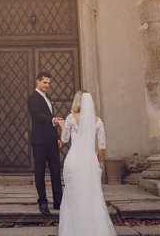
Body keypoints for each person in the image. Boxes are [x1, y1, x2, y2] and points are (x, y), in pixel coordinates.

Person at [57, 90, 116, 236]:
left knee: (73, 194)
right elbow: (102, 146)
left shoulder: (71, 118)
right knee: (92, 195)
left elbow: (64, 139)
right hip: (89, 161)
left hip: (73, 161)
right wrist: (95, 161)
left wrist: (62, 125)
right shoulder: (98, 121)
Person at [27, 70, 63, 215]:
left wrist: (57, 137)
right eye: (44, 82)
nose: (47, 85)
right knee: (40, 171)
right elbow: (35, 115)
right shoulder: (32, 97)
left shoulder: (48, 98)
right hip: (39, 141)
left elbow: (50, 117)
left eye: (48, 83)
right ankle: (42, 202)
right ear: (38, 81)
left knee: (56, 171)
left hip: (52, 141)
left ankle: (58, 202)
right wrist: (53, 120)